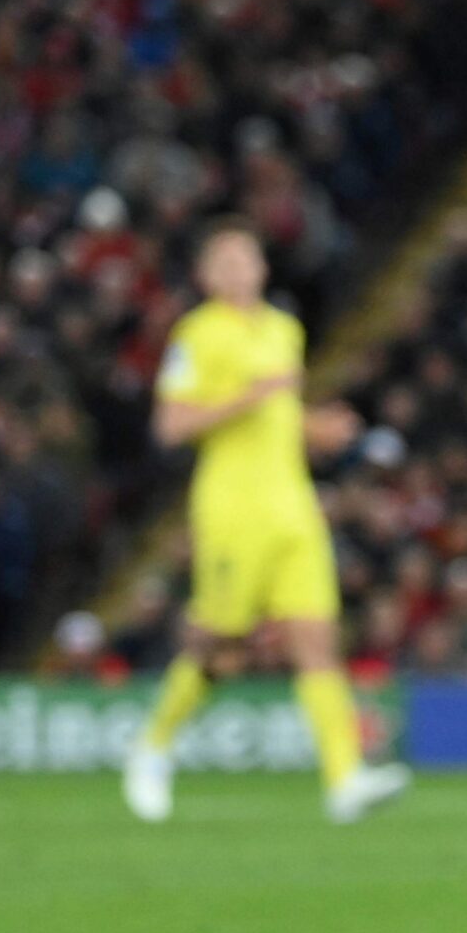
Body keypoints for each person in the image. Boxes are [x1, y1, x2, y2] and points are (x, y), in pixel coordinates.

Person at [124, 219, 410, 824]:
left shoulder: (284, 329)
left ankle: (344, 779)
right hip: (232, 511)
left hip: (294, 508)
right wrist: (250, 395)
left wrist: (314, 427)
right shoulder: (196, 335)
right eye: (223, 261)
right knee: (220, 647)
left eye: (245, 259)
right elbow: (170, 425)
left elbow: (276, 415)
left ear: (262, 268)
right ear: (205, 276)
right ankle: (152, 747)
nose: (236, 270)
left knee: (317, 643)